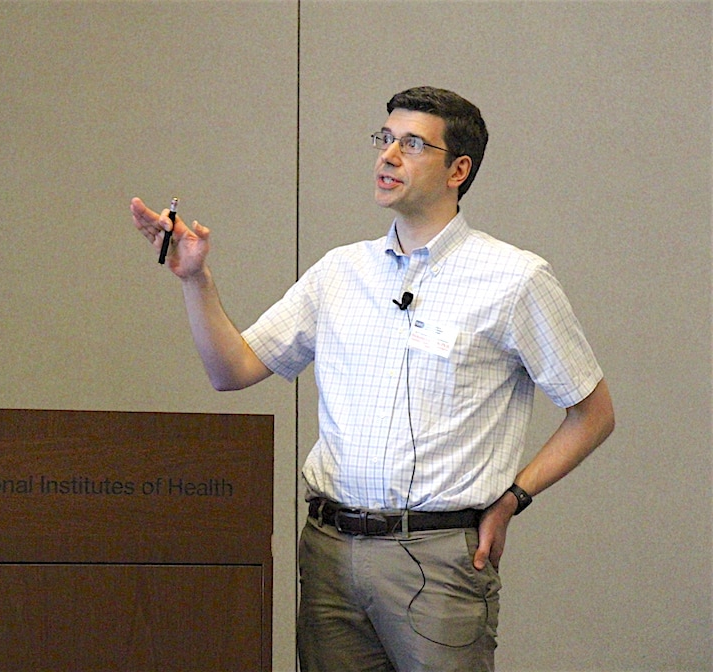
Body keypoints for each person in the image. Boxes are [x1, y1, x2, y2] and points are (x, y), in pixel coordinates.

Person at [130, 86, 614, 672]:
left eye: (412, 144)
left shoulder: (513, 278)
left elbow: (593, 413)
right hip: (330, 551)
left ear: (458, 169)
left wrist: (514, 498)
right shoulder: (340, 272)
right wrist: (193, 280)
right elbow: (231, 370)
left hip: (438, 557)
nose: (387, 156)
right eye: (384, 139)